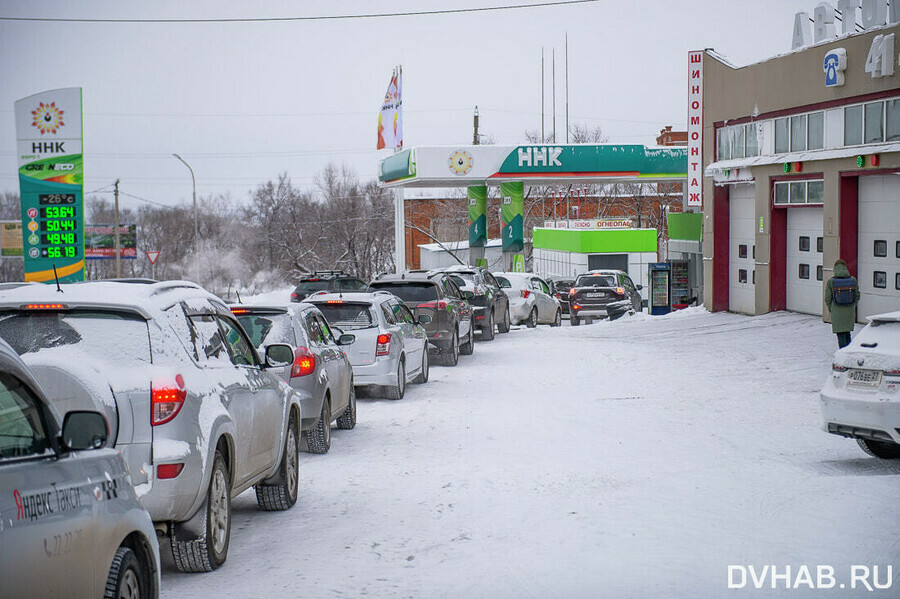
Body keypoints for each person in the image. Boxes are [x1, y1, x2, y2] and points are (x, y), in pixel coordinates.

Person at [824, 258, 860, 349]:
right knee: (847, 333)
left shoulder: (831, 281)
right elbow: (857, 295)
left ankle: (843, 355)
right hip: (849, 312)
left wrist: (831, 308)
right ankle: (848, 352)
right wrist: (852, 306)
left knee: (840, 334)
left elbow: (827, 298)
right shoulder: (853, 280)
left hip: (837, 312)